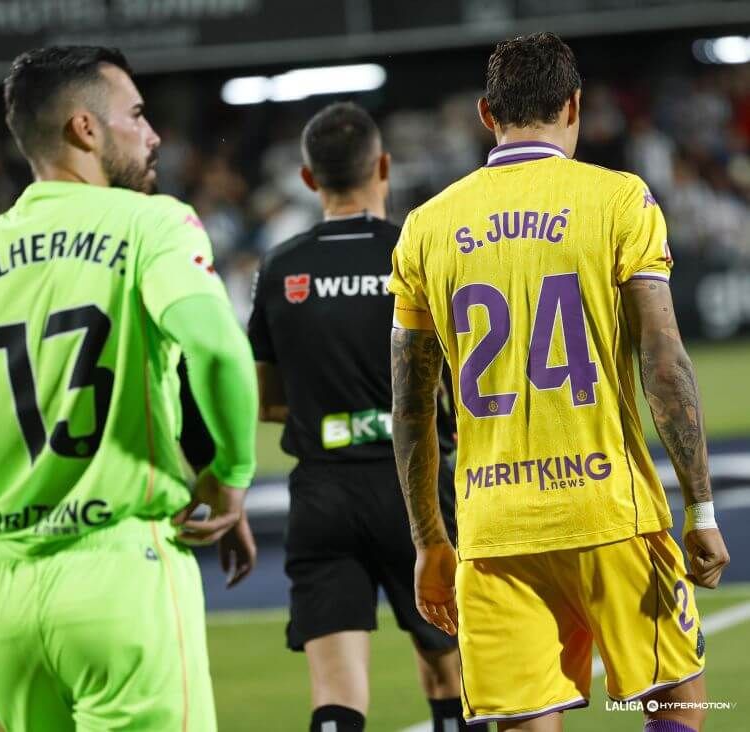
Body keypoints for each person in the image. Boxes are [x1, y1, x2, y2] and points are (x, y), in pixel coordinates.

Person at [0, 45, 258, 732]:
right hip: (118, 571)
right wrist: (231, 473)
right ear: (86, 129)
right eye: (136, 114)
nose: (153, 132)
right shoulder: (153, 224)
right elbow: (219, 350)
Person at [389, 33, 730, 732]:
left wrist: (429, 541)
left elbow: (411, 405)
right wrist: (701, 510)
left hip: (491, 530)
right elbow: (663, 359)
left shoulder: (424, 227)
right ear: (574, 105)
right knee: (677, 704)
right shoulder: (618, 200)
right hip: (611, 511)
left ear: (488, 114)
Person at [248, 102, 483, 732]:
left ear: (307, 179)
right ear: (382, 165)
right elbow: (466, 378)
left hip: (322, 493)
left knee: (336, 693)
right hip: (417, 493)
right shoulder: (416, 250)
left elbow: (268, 401)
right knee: (452, 672)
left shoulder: (280, 267)